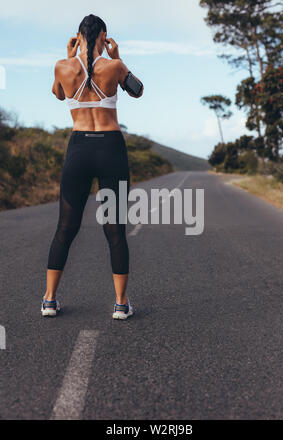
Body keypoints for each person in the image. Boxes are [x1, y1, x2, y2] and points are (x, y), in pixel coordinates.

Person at [41, 14, 143, 320]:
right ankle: (121, 304)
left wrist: (70, 55)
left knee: (65, 228)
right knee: (115, 230)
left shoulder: (62, 66)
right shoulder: (114, 67)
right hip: (110, 148)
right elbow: (137, 90)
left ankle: (49, 299)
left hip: (79, 149)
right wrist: (118, 58)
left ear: (77, 36)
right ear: (105, 36)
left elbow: (58, 94)